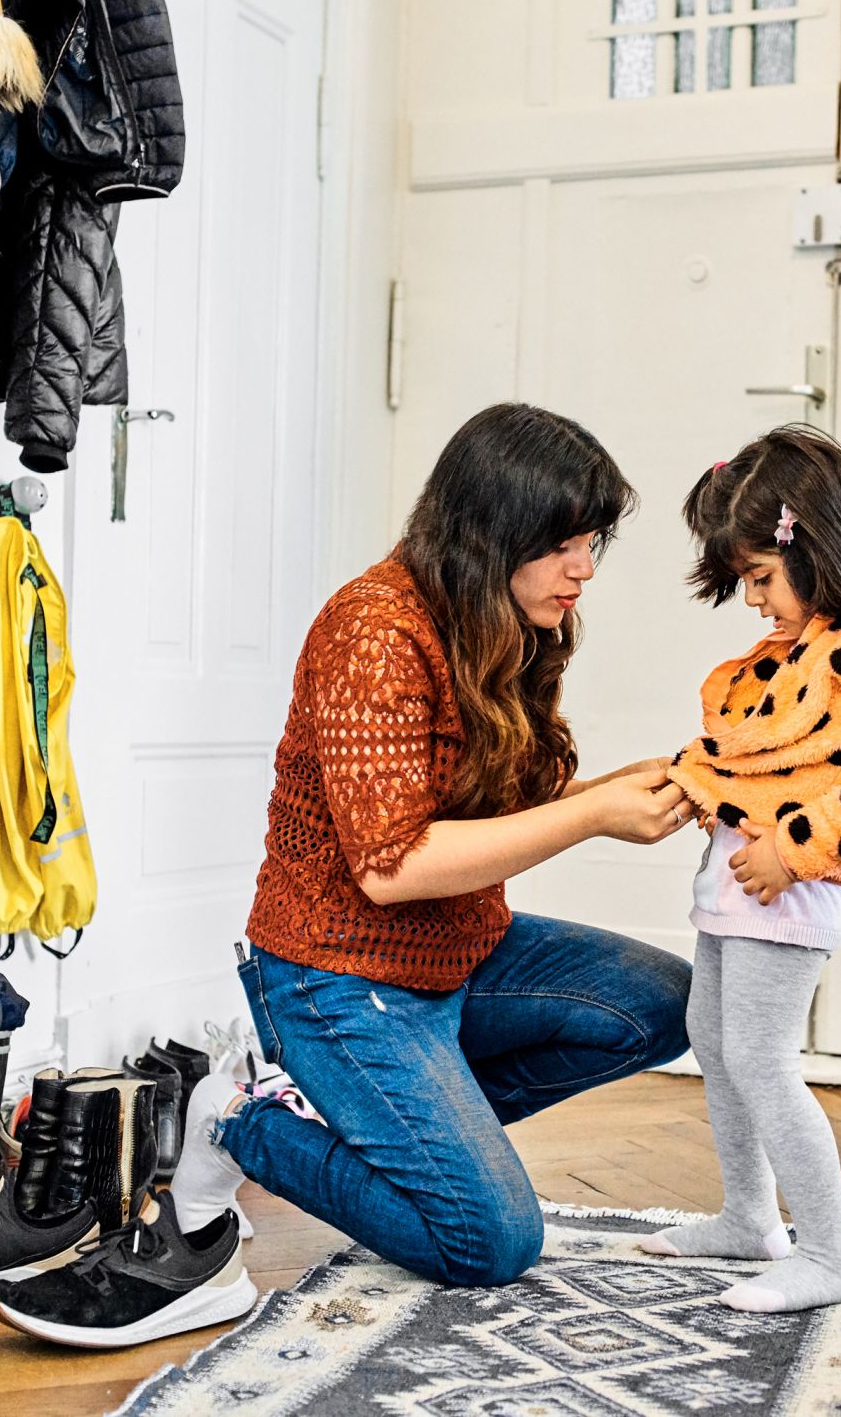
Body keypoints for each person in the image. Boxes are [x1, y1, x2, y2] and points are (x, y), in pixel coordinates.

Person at [169, 403, 696, 1287]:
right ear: (496, 531)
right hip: (335, 974)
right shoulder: (373, 632)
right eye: (564, 544)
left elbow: (507, 812)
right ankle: (240, 1119)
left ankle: (408, 1138)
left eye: (593, 541)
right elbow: (392, 869)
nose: (585, 570)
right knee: (489, 1245)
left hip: (457, 953)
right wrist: (595, 816)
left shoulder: (504, 624)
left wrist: (629, 783)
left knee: (669, 1001)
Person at [639, 424, 841, 1313]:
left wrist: (797, 847)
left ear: (811, 542)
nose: (753, 603)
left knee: (761, 1055)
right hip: (747, 875)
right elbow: (766, 739)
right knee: (714, 1037)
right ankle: (751, 1219)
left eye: (758, 579)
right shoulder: (824, 628)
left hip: (795, 878)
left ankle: (831, 1253)